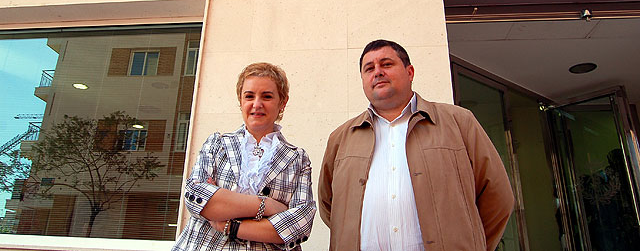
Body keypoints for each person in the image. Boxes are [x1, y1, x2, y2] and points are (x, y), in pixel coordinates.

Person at [319, 40, 514, 251]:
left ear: (409, 72)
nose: (377, 72)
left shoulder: (459, 122)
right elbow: (329, 206)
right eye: (369, 68)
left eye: (386, 64)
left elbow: (498, 197)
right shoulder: (340, 138)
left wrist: (473, 243)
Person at [173, 62, 316, 251]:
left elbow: (300, 223)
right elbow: (195, 197)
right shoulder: (217, 143)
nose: (257, 104)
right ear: (240, 101)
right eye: (249, 96)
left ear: (282, 102)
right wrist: (267, 206)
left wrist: (230, 225)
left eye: (267, 96)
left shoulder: (297, 158)